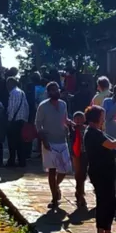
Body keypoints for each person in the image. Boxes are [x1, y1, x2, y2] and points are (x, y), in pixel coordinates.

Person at [35, 81, 71, 210]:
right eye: (53, 90)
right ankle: (54, 198)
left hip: (62, 140)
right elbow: (38, 124)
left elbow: (65, 119)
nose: (56, 92)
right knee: (52, 170)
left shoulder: (63, 104)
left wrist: (71, 124)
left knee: (65, 169)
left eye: (57, 90)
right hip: (49, 141)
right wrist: (43, 140)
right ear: (49, 92)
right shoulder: (43, 106)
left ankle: (56, 187)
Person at [5, 79, 29, 167]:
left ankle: (11, 161)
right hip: (21, 120)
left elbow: (12, 108)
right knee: (20, 143)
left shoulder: (13, 93)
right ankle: (21, 161)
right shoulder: (22, 92)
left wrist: (9, 120)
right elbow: (26, 106)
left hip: (14, 121)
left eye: (8, 84)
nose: (7, 86)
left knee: (12, 143)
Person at [70, 109, 87, 210]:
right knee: (78, 173)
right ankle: (79, 193)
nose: (79, 120)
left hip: (85, 153)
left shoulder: (87, 128)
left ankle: (80, 191)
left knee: (83, 173)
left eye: (81, 118)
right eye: (76, 118)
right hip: (76, 153)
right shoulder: (72, 128)